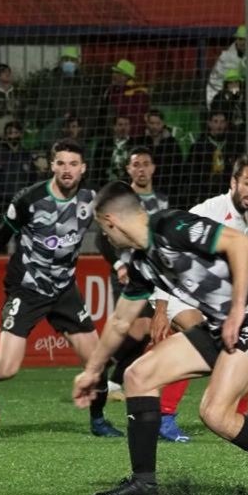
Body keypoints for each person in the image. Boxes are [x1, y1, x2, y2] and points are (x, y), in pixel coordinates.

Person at [72, 181, 248, 495]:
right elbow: (120, 321)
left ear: (109, 221)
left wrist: (234, 312)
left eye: (102, 230)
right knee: (137, 376)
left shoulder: (173, 225)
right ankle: (143, 483)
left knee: (215, 414)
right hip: (219, 327)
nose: (105, 237)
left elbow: (240, 244)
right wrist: (92, 371)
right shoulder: (141, 262)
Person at [0, 140, 119, 436]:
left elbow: (106, 236)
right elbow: (2, 235)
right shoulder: (30, 199)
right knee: (6, 369)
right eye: (61, 163)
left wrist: (119, 263)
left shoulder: (90, 200)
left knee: (97, 361)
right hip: (27, 289)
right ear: (52, 165)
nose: (67, 170)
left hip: (64, 290)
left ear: (83, 168)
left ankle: (98, 421)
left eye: (73, 164)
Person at [150, 156, 248, 442]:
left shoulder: (245, 218)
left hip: (204, 294)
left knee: (246, 337)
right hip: (176, 292)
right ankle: (164, 415)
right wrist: (160, 309)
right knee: (200, 333)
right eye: (246, 183)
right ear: (232, 182)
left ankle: (239, 413)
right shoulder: (209, 212)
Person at [94, 146, 170, 414]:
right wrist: (118, 265)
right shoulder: (123, 199)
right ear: (128, 169)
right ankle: (108, 369)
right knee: (138, 328)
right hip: (128, 273)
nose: (141, 169)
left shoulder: (162, 201)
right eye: (135, 164)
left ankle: (114, 379)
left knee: (143, 331)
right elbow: (100, 239)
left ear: (153, 168)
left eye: (145, 164)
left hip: (153, 273)